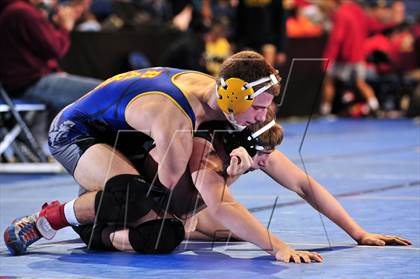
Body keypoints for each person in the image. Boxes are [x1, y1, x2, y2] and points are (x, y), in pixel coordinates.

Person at [4, 51, 282, 256]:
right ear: (236, 98)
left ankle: (93, 230)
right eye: (257, 109)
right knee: (133, 195)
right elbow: (172, 191)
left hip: (122, 138)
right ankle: (51, 219)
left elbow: (301, 183)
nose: (259, 118)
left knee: (162, 235)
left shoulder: (213, 95)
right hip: (77, 130)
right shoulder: (179, 117)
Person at [0, 0, 101, 115]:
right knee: (108, 91)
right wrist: (65, 27)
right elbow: (55, 48)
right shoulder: (23, 12)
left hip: (23, 82)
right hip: (30, 83)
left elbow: (39, 46)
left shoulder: (16, 9)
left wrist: (54, 25)